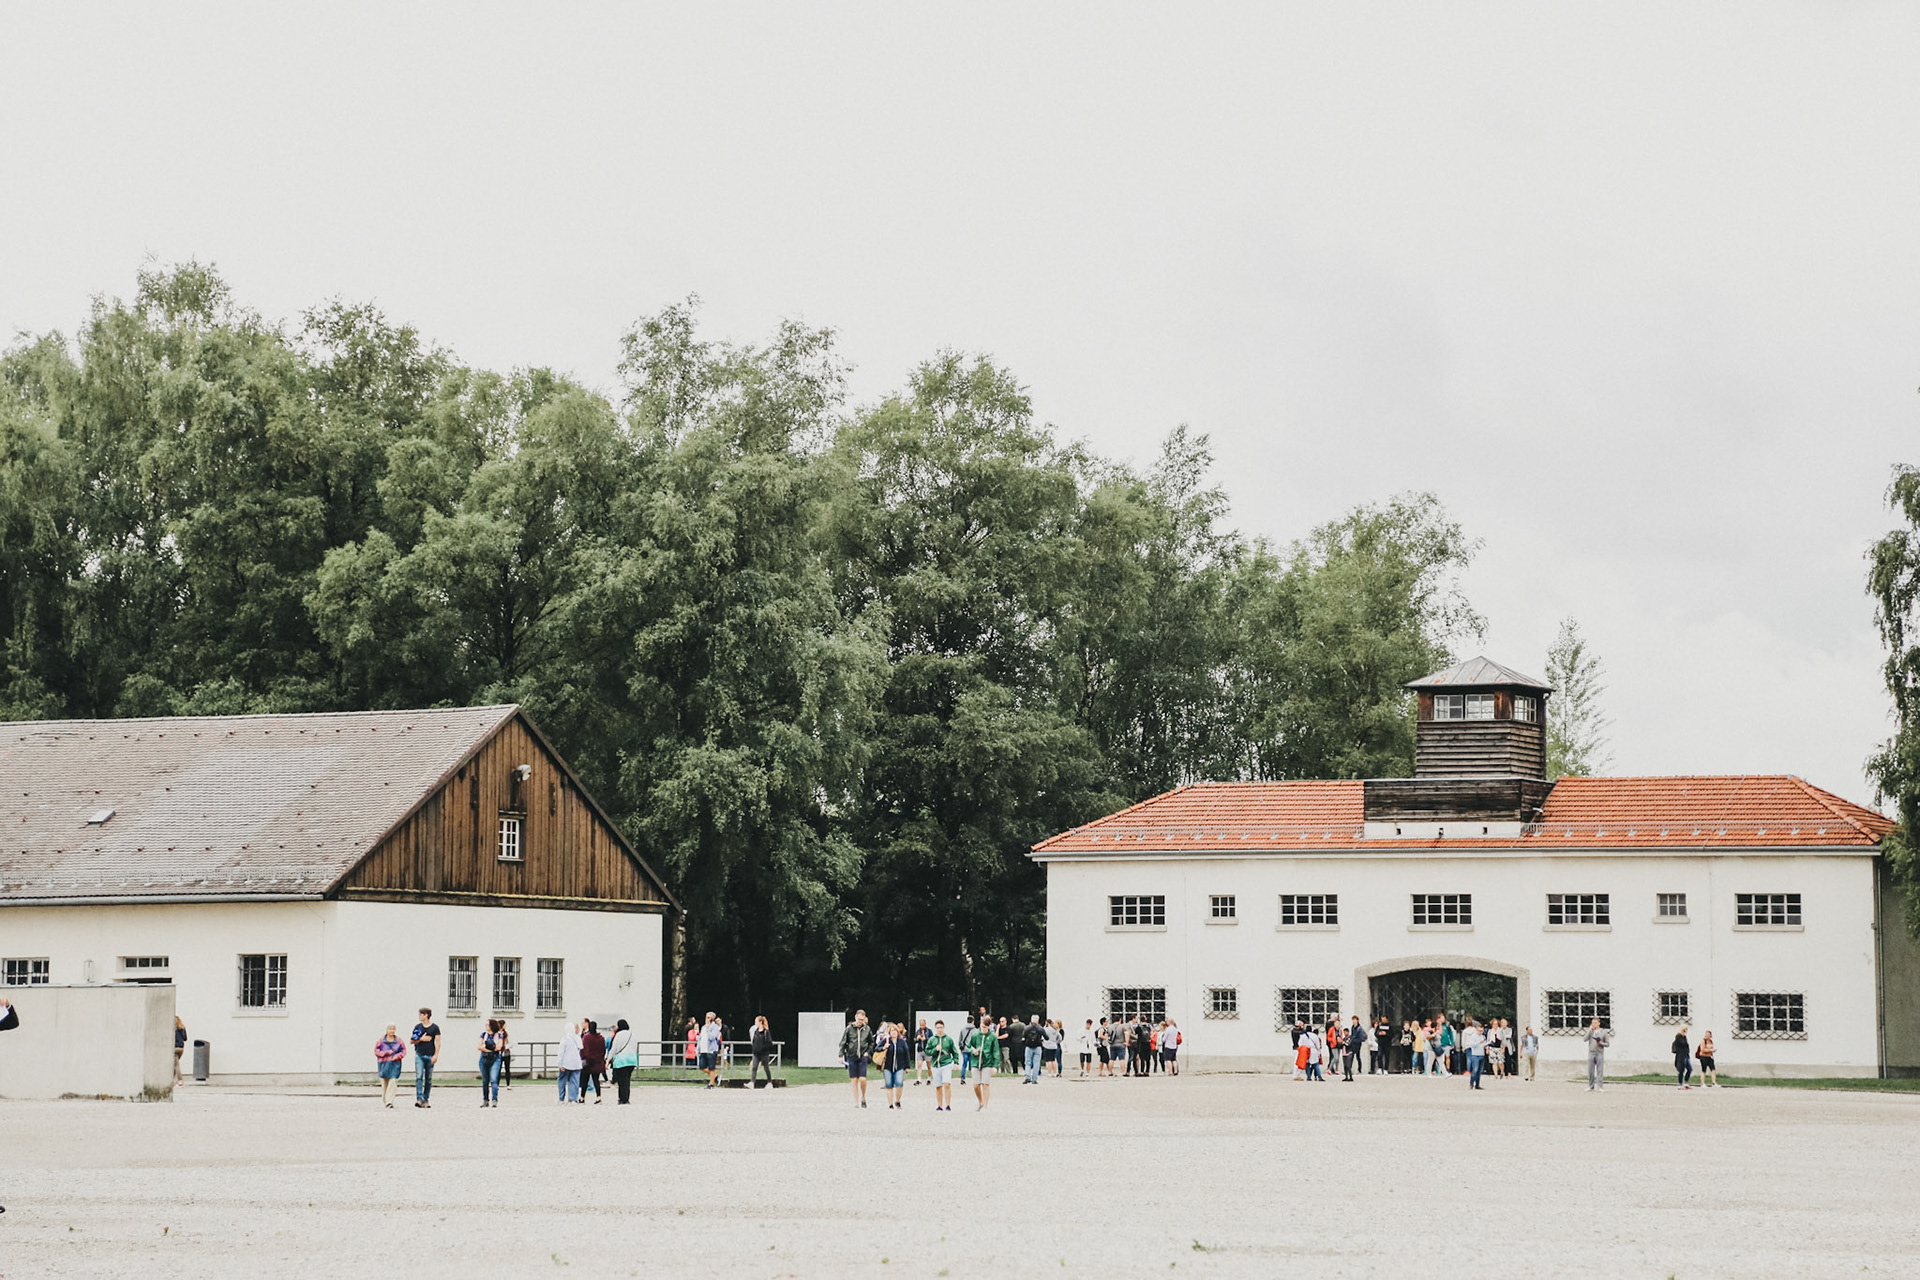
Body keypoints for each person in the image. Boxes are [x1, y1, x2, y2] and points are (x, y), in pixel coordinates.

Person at [839, 1009, 873, 1108]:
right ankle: (856, 1101)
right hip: (852, 1056)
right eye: (859, 1019)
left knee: (862, 1079)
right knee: (854, 1080)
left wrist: (868, 1052)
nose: (860, 1021)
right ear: (855, 1017)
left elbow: (871, 1042)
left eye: (862, 1019)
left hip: (863, 1056)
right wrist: (841, 1055)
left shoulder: (867, 1029)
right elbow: (843, 1042)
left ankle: (863, 1097)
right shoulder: (849, 1028)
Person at [965, 1014, 1000, 1110]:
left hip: (987, 1062)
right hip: (975, 1062)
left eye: (985, 1027)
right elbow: (968, 1046)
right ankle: (980, 1101)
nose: (983, 1029)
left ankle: (985, 1106)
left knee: (985, 1084)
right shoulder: (975, 1034)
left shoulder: (992, 1036)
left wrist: (995, 1066)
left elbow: (996, 1051)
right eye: (982, 1026)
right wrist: (973, 1051)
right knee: (976, 1085)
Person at [410, 1008, 441, 1108]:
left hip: (430, 1055)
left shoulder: (435, 1028)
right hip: (419, 1054)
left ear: (426, 1015)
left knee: (428, 1079)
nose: (419, 1016)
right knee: (419, 1076)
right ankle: (419, 1098)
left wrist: (436, 1055)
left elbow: (438, 1042)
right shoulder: (418, 1027)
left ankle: (426, 1099)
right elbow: (412, 1041)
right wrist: (421, 1039)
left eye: (421, 1014)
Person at [926, 1019, 959, 1110]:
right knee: (938, 1086)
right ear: (935, 1028)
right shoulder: (932, 1040)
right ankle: (939, 1105)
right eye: (938, 1028)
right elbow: (927, 1051)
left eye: (941, 1027)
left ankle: (948, 1105)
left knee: (946, 1084)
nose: (939, 1029)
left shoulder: (948, 1039)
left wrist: (956, 1062)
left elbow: (954, 1052)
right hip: (935, 1065)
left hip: (946, 1064)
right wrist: (935, 1049)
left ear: (943, 1028)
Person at [883, 1020, 914, 1108]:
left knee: (899, 1083)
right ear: (889, 1032)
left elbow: (906, 1054)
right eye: (892, 1031)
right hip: (887, 1066)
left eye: (895, 1031)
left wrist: (907, 1066)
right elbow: (877, 1049)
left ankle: (897, 1100)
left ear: (898, 1032)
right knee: (889, 1085)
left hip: (900, 1066)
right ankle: (890, 1104)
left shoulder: (902, 1042)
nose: (893, 1033)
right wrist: (884, 1047)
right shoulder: (886, 1041)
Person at [374, 1024, 407, 1108]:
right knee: (384, 1083)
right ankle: (385, 1100)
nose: (391, 1031)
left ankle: (389, 1101)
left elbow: (403, 1051)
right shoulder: (381, 1040)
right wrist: (386, 1053)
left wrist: (398, 1056)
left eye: (393, 1029)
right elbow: (376, 1051)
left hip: (395, 1064)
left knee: (393, 1081)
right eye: (390, 1029)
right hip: (383, 1064)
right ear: (386, 1030)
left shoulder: (399, 1041)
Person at [608, 1018, 639, 1103]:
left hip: (621, 1060)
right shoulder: (633, 1034)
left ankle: (622, 1098)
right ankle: (626, 1098)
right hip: (632, 1060)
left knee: (621, 1081)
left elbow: (614, 1049)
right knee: (627, 1080)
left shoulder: (619, 1035)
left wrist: (608, 1060)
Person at [478, 1019, 505, 1107]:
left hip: (495, 1058)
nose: (486, 1026)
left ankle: (494, 1099)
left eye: (487, 1025)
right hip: (484, 1058)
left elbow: (499, 1047)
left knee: (493, 1079)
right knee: (485, 1080)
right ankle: (485, 1100)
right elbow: (479, 1046)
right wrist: (490, 1049)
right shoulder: (484, 1035)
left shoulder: (499, 1035)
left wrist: (486, 1047)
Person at [581, 1019, 607, 1103]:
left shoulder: (586, 1037)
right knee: (596, 1080)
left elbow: (583, 1049)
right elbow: (603, 1050)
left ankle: (582, 1097)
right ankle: (598, 1097)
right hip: (597, 1062)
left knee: (585, 1080)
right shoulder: (601, 1038)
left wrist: (583, 1058)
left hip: (588, 1062)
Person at [557, 1020, 584, 1103]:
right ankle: (573, 1098)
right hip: (576, 1063)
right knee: (574, 1081)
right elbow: (581, 1048)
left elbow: (561, 1052)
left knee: (562, 1081)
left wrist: (560, 1063)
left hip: (566, 1063)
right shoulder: (577, 1038)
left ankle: (561, 1098)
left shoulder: (565, 1039)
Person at [697, 1011, 725, 1089]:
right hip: (703, 1049)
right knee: (702, 1066)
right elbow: (700, 1038)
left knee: (711, 1067)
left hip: (711, 1050)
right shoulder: (703, 1027)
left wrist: (708, 1029)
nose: (706, 1019)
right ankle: (716, 1077)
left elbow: (712, 1037)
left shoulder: (715, 1027)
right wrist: (698, 1049)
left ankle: (711, 1084)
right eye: (706, 1017)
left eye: (708, 1017)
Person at [1584, 1017, 1613, 1091]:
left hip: (1599, 1053)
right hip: (1591, 1052)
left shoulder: (1604, 1032)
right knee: (1590, 1070)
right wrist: (1589, 1030)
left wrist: (1600, 1043)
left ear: (1599, 1023)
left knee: (1600, 1070)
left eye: (1595, 1023)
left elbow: (1607, 1044)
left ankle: (1600, 1086)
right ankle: (1591, 1086)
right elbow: (1585, 1039)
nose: (1594, 1024)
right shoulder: (1591, 1032)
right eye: (1593, 1023)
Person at [749, 1015, 776, 1089]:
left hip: (764, 1053)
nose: (755, 1023)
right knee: (754, 1068)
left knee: (766, 1068)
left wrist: (763, 1048)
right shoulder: (755, 1031)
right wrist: (754, 1050)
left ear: (760, 1022)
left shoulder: (766, 1032)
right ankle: (752, 1082)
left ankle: (769, 1082)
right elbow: (754, 1042)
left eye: (756, 1022)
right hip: (756, 1053)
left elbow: (770, 1043)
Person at [1462, 1018, 1486, 1090]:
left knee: (1479, 1071)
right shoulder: (1474, 1036)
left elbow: (1483, 1044)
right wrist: (1479, 1042)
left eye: (1482, 1031)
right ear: (1477, 1030)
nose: (1481, 1032)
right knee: (1475, 1070)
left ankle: (1477, 1084)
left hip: (1481, 1054)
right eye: (1480, 1031)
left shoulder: (1483, 1036)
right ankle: (1471, 1084)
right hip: (1475, 1055)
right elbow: (1472, 1045)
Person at [1023, 1015, 1045, 1084]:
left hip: (1028, 1046)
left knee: (1027, 1062)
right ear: (1038, 1020)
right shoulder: (1040, 1028)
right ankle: (1034, 1079)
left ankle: (1028, 1077)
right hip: (1038, 1046)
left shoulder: (1026, 1028)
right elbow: (1046, 1037)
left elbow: (1023, 1036)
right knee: (1036, 1063)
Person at [1343, 1016, 1365, 1082]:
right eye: (1353, 1020)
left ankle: (1359, 1069)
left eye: (1354, 1020)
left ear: (1357, 1020)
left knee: (1358, 1056)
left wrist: (1355, 1040)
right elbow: (1352, 1035)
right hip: (1352, 1044)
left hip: (1357, 1044)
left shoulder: (1359, 1028)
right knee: (1351, 1057)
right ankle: (1349, 1071)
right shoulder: (1352, 1027)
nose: (1353, 1021)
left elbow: (1361, 1038)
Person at [1673, 1025, 1693, 1089]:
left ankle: (1686, 1082)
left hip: (1686, 1055)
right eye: (1685, 1029)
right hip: (1681, 1055)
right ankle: (1680, 1083)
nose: (1686, 1030)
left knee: (1689, 1069)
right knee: (1681, 1070)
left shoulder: (1684, 1037)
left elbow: (1686, 1046)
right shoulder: (1678, 1036)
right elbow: (1683, 1043)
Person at [914, 1019, 932, 1087]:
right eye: (921, 1025)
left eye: (923, 1025)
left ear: (925, 1024)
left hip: (927, 1051)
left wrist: (926, 1039)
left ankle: (929, 1078)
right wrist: (917, 1039)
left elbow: (932, 1041)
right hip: (920, 1050)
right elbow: (914, 1041)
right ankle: (919, 1079)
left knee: (929, 1066)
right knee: (919, 1065)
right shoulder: (918, 1031)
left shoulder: (929, 1031)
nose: (922, 1026)